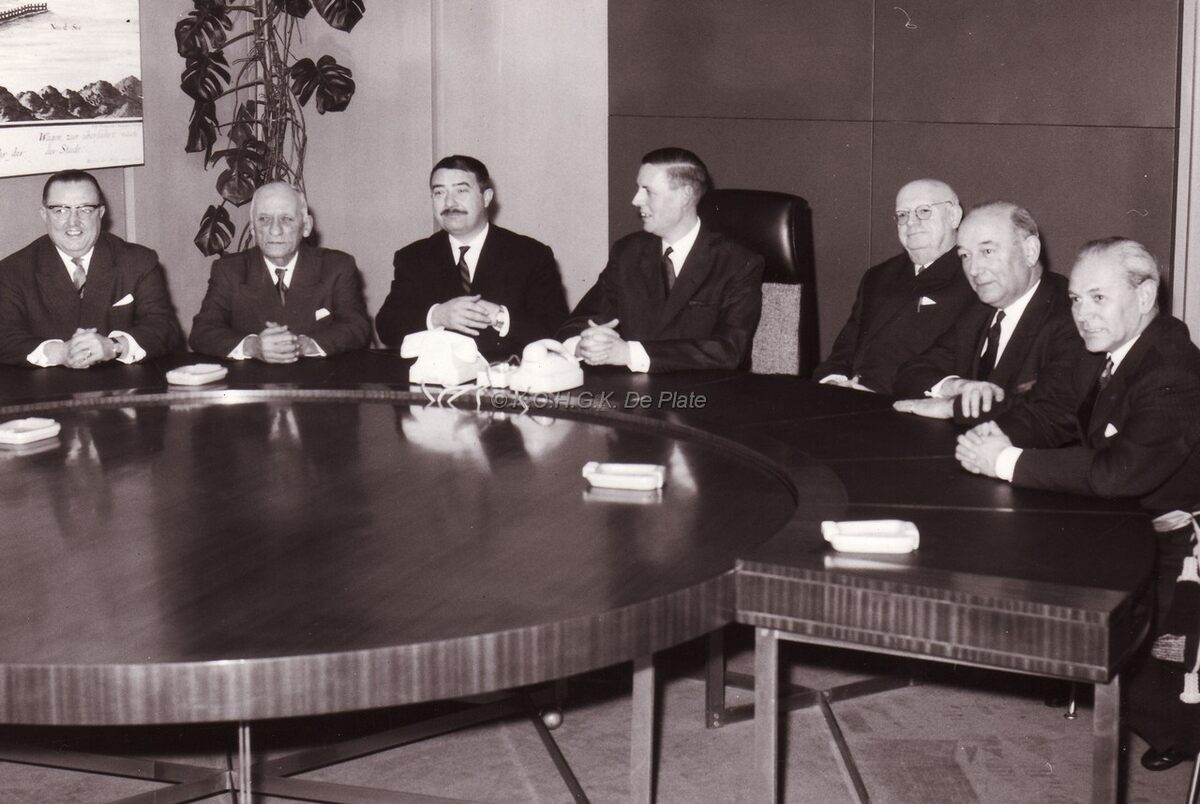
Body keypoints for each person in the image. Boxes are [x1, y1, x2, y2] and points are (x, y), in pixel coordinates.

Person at [955, 237, 1200, 770]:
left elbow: (1117, 472)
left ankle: (1182, 737)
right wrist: (999, 433)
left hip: (1178, 545)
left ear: (1145, 296)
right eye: (1075, 300)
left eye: (1098, 298)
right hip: (1127, 523)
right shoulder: (1114, 350)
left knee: (1146, 683)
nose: (1082, 315)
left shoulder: (1173, 369)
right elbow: (1058, 416)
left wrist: (1006, 462)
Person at [557, 147, 763, 373]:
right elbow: (576, 323)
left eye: (648, 191)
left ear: (684, 196)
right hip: (632, 391)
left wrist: (629, 353)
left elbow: (729, 350)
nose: (635, 200)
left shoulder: (737, 262)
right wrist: (584, 344)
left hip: (704, 390)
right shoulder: (627, 253)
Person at [891, 201, 1082, 424]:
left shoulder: (1071, 314)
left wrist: (953, 408)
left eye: (987, 251)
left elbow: (1053, 410)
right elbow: (910, 373)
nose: (973, 270)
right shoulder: (978, 309)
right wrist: (956, 386)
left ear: (1030, 251)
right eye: (965, 256)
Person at [374, 155, 568, 359]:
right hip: (435, 374)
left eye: (461, 190)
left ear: (486, 197)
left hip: (507, 373)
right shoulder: (414, 257)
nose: (449, 202)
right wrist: (437, 316)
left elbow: (557, 330)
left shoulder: (531, 255)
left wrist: (500, 317)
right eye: (439, 192)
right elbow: (387, 327)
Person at [0, 169, 181, 367]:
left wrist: (114, 346)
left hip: (120, 381)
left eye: (85, 209)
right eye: (60, 210)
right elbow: (4, 336)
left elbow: (165, 328)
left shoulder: (139, 262)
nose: (73, 222)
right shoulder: (12, 271)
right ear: (44, 214)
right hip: (45, 384)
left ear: (100, 213)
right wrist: (60, 353)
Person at [814, 179, 975, 394]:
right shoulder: (878, 276)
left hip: (909, 403)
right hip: (848, 398)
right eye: (902, 215)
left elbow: (949, 364)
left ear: (953, 216)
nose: (911, 222)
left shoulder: (973, 278)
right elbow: (844, 351)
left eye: (924, 211)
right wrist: (833, 384)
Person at [189, 182, 370, 362]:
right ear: (252, 228)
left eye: (286, 219)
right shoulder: (229, 270)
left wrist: (303, 345)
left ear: (306, 226)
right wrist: (252, 346)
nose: (275, 230)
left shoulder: (336, 267)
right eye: (264, 219)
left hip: (317, 377)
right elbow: (202, 331)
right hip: (252, 378)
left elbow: (357, 327)